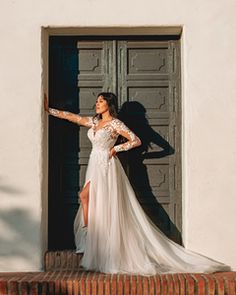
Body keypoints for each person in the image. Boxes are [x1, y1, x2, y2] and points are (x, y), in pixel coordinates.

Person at [44, 92, 231, 276]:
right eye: (97, 101)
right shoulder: (94, 122)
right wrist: (49, 110)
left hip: (106, 165)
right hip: (95, 163)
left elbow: (136, 140)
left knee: (89, 197)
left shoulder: (115, 123)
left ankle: (93, 235)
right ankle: (92, 235)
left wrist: (116, 148)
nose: (97, 104)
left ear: (109, 104)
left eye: (101, 101)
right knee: (88, 198)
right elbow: (73, 118)